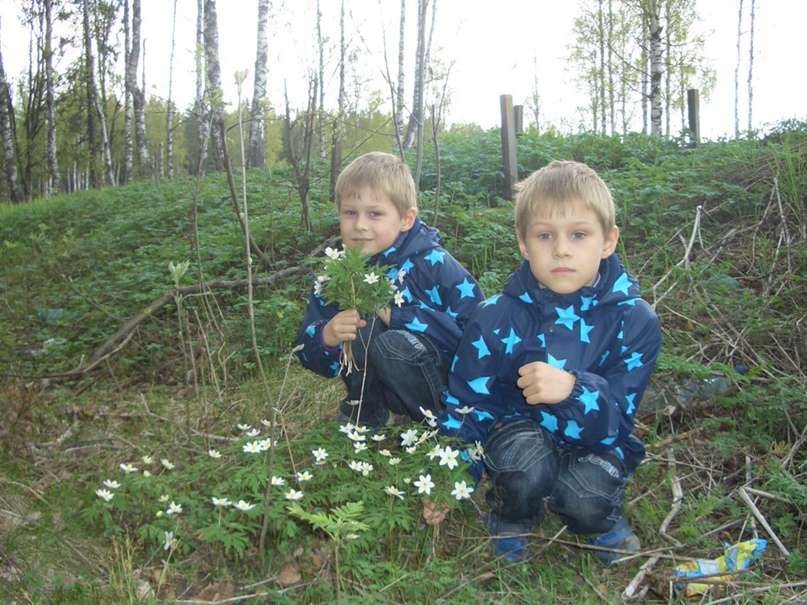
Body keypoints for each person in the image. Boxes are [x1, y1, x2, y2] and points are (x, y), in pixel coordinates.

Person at [436, 160, 661, 564]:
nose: (561, 249)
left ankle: (601, 521)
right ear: (523, 243)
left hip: (598, 443)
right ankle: (512, 515)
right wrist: (452, 477)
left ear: (608, 241)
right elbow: (468, 405)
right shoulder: (493, 316)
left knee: (585, 498)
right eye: (544, 235)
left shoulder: (635, 319)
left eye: (579, 234)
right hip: (521, 435)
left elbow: (619, 421)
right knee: (521, 469)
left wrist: (574, 389)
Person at [294, 151, 485, 428]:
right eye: (350, 212)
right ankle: (369, 411)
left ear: (406, 219)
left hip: (437, 385)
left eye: (375, 213)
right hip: (386, 392)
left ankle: (443, 421)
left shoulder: (435, 265)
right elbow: (306, 351)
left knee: (393, 339)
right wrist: (326, 336)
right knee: (359, 321)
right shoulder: (337, 276)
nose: (360, 224)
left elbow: (478, 337)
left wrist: (400, 317)